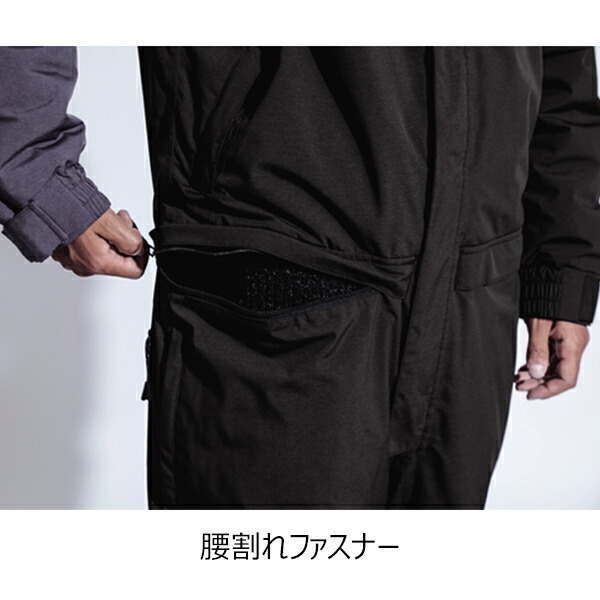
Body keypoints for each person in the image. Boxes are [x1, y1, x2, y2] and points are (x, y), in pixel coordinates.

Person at [1, 46, 599, 509]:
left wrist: (562, 257)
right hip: (274, 282)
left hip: (472, 298)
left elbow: (561, 47)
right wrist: (37, 172)